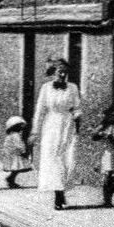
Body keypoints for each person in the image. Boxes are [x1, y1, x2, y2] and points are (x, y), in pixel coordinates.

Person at [29, 58, 81, 210]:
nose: (63, 74)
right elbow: (39, 111)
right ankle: (58, 195)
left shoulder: (72, 87)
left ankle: (62, 189)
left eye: (65, 72)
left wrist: (78, 117)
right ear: (53, 73)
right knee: (53, 159)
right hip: (51, 126)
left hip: (68, 125)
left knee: (68, 159)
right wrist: (34, 131)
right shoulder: (46, 88)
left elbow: (76, 107)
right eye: (60, 72)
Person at [90, 106, 114, 207]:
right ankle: (106, 200)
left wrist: (110, 137)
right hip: (106, 154)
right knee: (107, 177)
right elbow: (94, 137)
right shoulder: (105, 127)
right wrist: (99, 131)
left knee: (113, 178)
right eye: (111, 116)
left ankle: (109, 199)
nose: (113, 118)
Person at [1, 115, 32, 189]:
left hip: (12, 154)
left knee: (16, 169)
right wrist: (23, 151)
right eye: (20, 126)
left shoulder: (10, 135)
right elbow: (18, 145)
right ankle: (11, 179)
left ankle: (11, 179)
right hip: (16, 155)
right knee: (17, 168)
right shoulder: (15, 135)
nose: (21, 128)